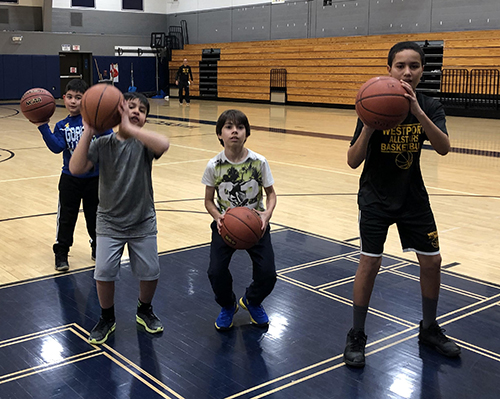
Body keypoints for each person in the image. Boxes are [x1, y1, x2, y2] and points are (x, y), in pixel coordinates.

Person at [343, 41, 461, 368]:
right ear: (390, 69)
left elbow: (444, 147)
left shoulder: (430, 105)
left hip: (413, 198)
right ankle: (357, 334)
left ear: (423, 70)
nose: (407, 72)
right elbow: (353, 160)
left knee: (433, 262)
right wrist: (368, 125)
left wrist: (418, 113)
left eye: (414, 66)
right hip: (375, 198)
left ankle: (429, 328)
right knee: (369, 263)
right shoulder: (375, 101)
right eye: (400, 66)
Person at [69, 92, 170, 344]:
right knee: (103, 272)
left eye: (142, 110)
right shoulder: (103, 144)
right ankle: (107, 317)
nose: (136, 112)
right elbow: (76, 168)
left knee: (150, 272)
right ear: (117, 111)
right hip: (109, 222)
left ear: (145, 119)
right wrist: (89, 130)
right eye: (130, 107)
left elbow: (164, 144)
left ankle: (144, 309)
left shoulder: (145, 144)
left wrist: (129, 128)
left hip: (142, 220)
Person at [202, 109, 277, 331]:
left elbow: (271, 194)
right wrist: (219, 217)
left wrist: (266, 214)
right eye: (228, 127)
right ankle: (228, 306)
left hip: (256, 225)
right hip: (226, 226)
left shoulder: (259, 161)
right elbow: (208, 201)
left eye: (240, 127)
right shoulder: (214, 165)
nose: (234, 131)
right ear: (219, 134)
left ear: (247, 133)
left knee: (268, 275)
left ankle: (252, 301)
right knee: (215, 272)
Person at [33, 79, 111, 272]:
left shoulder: (96, 121)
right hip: (70, 179)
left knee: (95, 216)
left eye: (79, 97)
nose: (73, 101)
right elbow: (57, 147)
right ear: (63, 99)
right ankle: (61, 252)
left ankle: (97, 247)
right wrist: (43, 126)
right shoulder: (62, 125)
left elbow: (108, 142)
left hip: (95, 179)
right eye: (70, 97)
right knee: (67, 217)